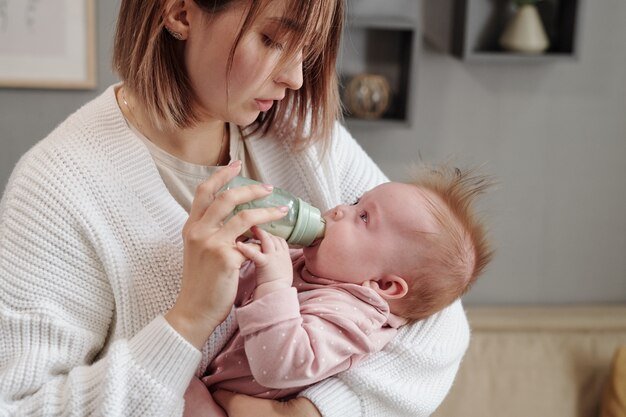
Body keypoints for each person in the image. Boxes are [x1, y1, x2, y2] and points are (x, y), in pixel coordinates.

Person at [0, 1, 472, 416]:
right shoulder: (57, 188)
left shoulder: (297, 134)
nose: (295, 77)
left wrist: (311, 413)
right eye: (273, 39)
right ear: (180, 12)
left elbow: (437, 315)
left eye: (306, 49)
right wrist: (188, 319)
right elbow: (19, 405)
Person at [198, 167, 493, 416]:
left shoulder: (352, 315)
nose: (340, 209)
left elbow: (281, 365)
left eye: (363, 217)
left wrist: (273, 283)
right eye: (355, 202)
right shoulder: (313, 264)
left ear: (384, 285)